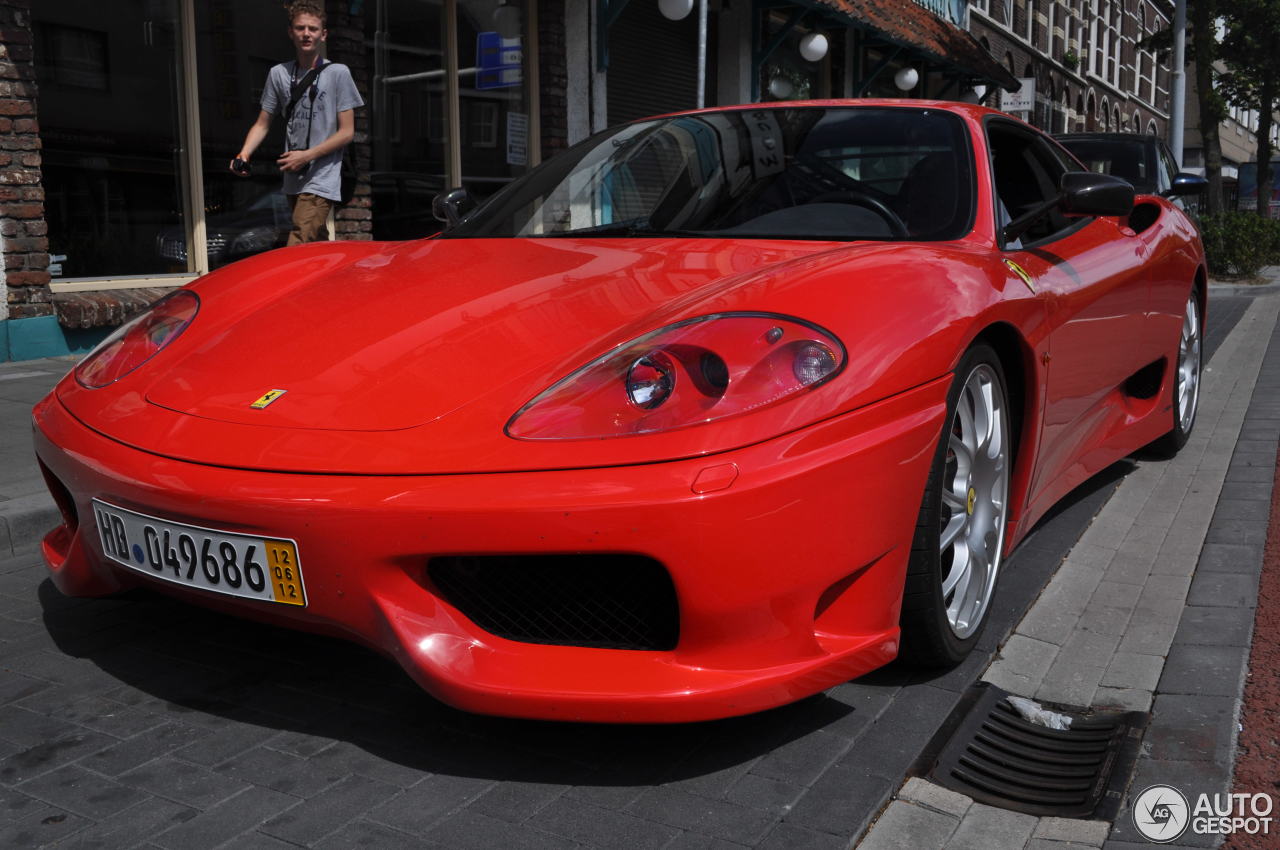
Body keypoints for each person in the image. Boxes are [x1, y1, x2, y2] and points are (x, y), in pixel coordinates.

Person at [230, 1, 363, 246]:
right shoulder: (278, 74)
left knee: (299, 240)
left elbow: (347, 132)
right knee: (316, 245)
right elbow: (263, 123)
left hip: (322, 176)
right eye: (300, 28)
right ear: (290, 32)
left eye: (313, 29)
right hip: (293, 175)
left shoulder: (338, 73)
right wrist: (244, 154)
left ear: (323, 35)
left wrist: (307, 156)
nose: (306, 34)